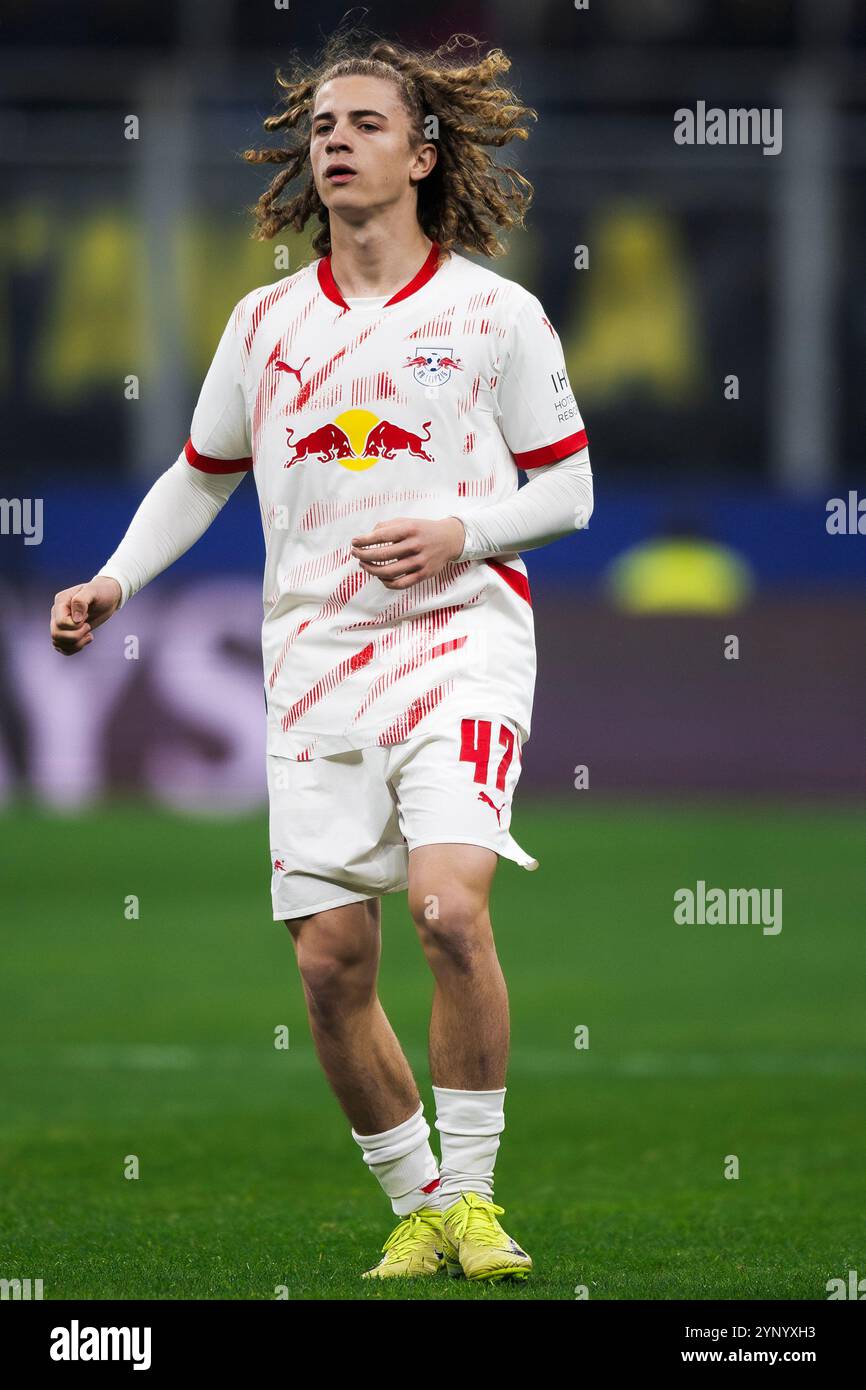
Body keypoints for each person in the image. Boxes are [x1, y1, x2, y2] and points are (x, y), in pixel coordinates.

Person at [49, 30, 593, 1283]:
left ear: (422, 150)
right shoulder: (264, 322)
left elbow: (567, 493)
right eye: (321, 126)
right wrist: (114, 580)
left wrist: (463, 526)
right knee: (330, 959)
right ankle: (416, 1207)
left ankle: (475, 1198)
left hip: (461, 636)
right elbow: (200, 479)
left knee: (448, 910)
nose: (333, 140)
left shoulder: (491, 314)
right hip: (312, 659)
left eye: (361, 123)